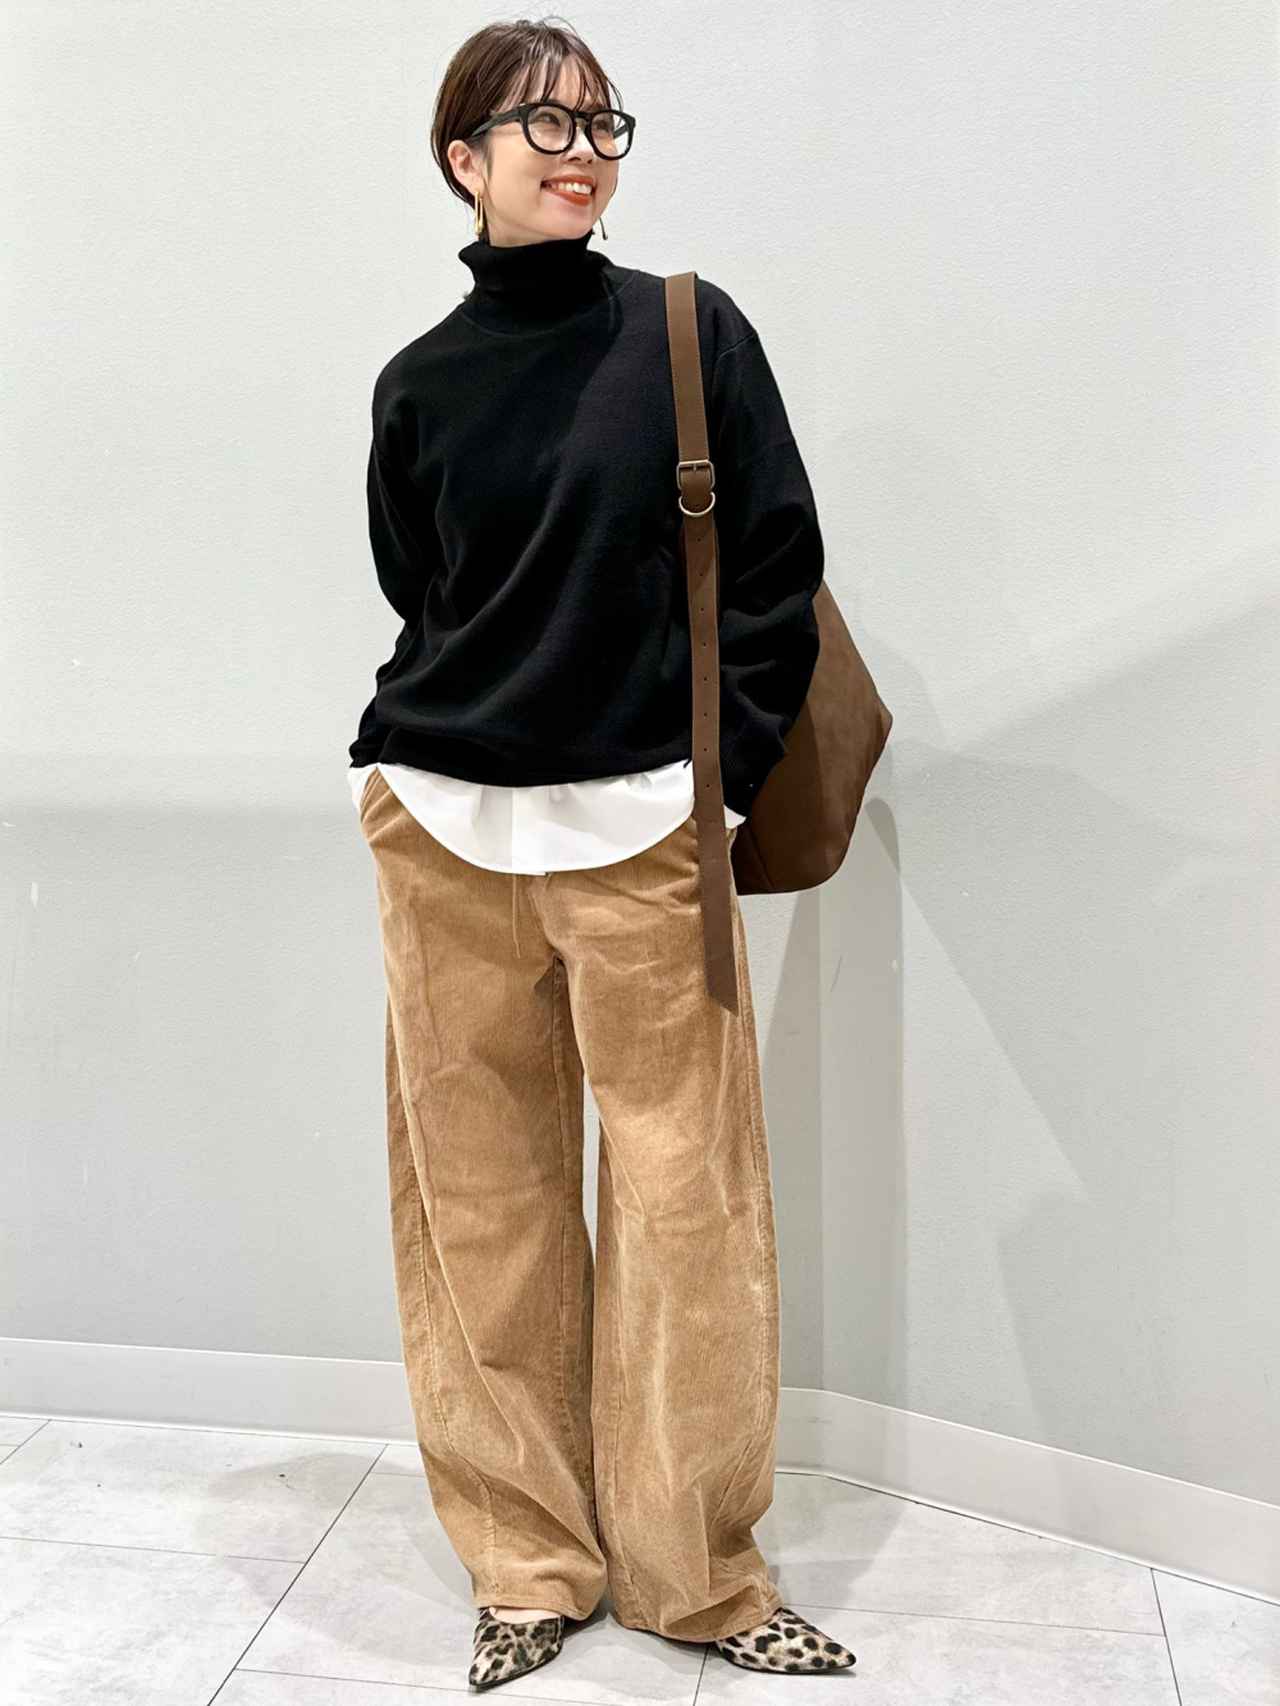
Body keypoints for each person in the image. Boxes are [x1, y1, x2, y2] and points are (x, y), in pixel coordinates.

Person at [349, 16, 855, 1692]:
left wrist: (721, 792)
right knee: (479, 1208)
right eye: (543, 123)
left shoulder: (689, 335)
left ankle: (698, 1572)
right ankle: (528, 1561)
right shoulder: (417, 382)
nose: (581, 150)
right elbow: (422, 590)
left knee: (689, 1209)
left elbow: (774, 570)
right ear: (465, 159)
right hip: (440, 826)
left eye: (601, 122)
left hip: (645, 835)